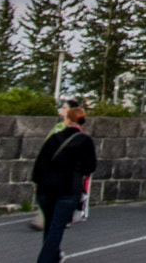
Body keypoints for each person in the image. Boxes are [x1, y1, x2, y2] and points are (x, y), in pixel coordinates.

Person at [30, 97, 96, 263]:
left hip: (46, 188)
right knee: (57, 227)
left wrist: (38, 183)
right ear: (82, 123)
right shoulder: (85, 141)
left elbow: (39, 164)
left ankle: (54, 255)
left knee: (50, 225)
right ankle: (46, 259)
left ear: (68, 119)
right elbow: (90, 167)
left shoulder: (54, 138)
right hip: (67, 188)